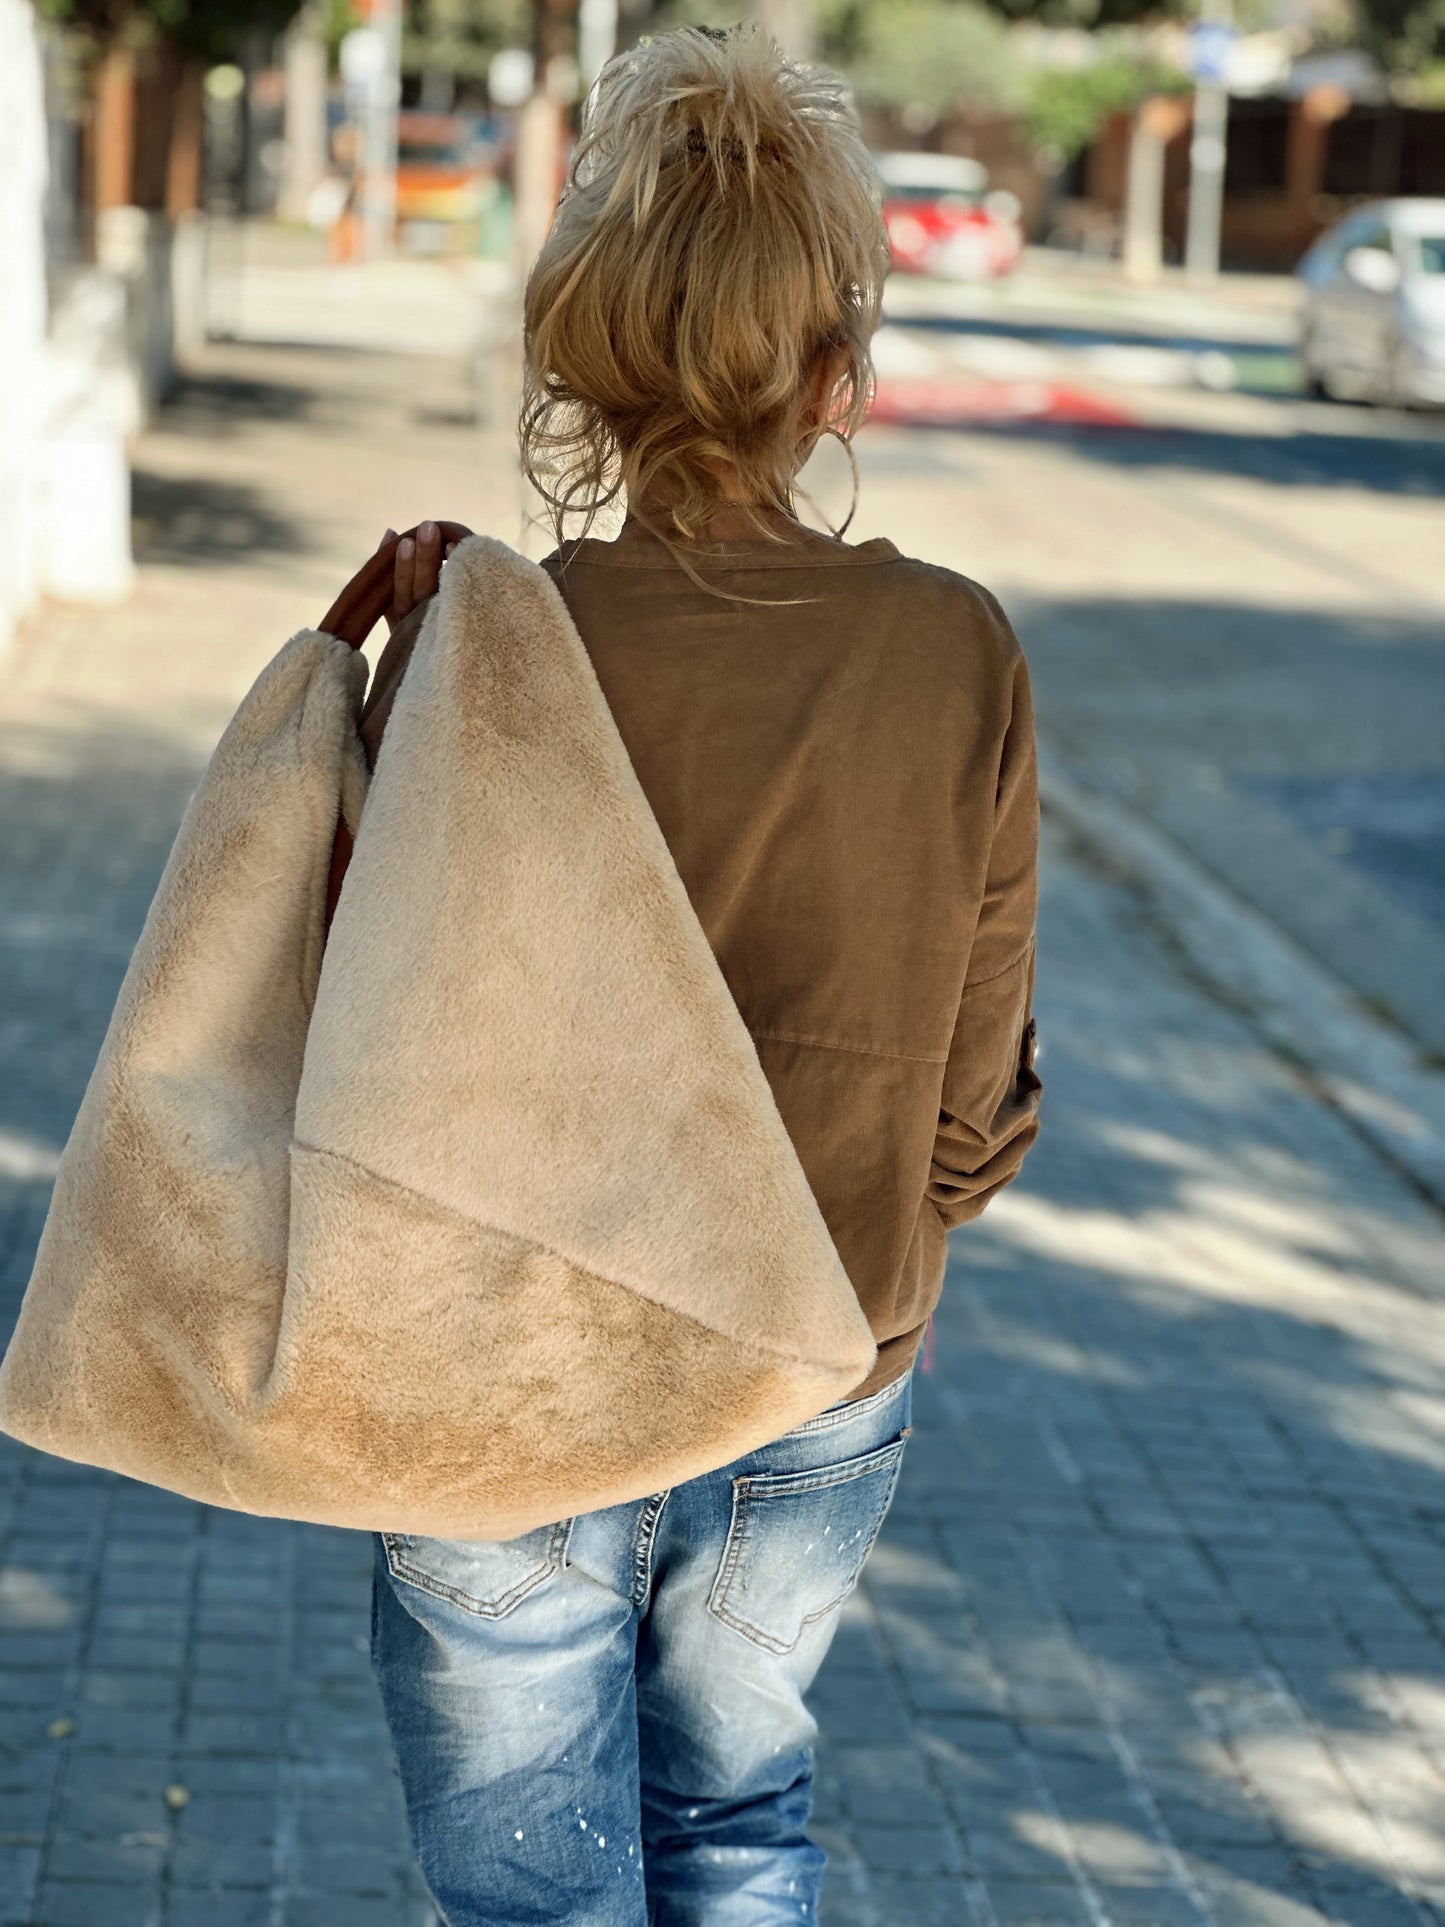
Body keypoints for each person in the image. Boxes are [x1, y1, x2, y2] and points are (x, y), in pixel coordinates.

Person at [358, 24, 1042, 1926]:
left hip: (508, 1368)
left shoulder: (487, 640)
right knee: (736, 1833)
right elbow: (972, 1119)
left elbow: (374, 1038)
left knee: (526, 1893)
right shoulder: (954, 651)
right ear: (837, 377)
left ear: (582, 357)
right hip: (816, 1355)